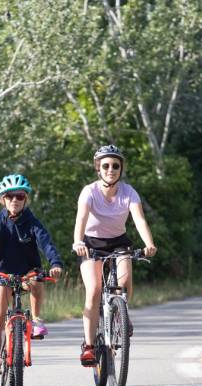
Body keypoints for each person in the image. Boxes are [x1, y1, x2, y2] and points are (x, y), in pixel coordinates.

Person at [0, 174, 63, 386]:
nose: (15, 200)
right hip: (2, 275)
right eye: (10, 196)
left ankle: (37, 320)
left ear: (26, 199)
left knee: (37, 279)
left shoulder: (32, 222)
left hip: (26, 274)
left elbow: (46, 243)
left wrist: (55, 262)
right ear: (2, 200)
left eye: (20, 196)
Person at [72, 145, 156, 366]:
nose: (111, 169)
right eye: (106, 165)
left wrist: (149, 244)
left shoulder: (129, 192)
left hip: (119, 243)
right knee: (94, 290)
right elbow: (81, 218)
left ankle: (122, 313)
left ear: (121, 169)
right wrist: (78, 242)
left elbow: (139, 220)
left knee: (125, 280)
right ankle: (89, 346)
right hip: (91, 244)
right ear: (98, 168)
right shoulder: (89, 191)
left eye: (115, 166)